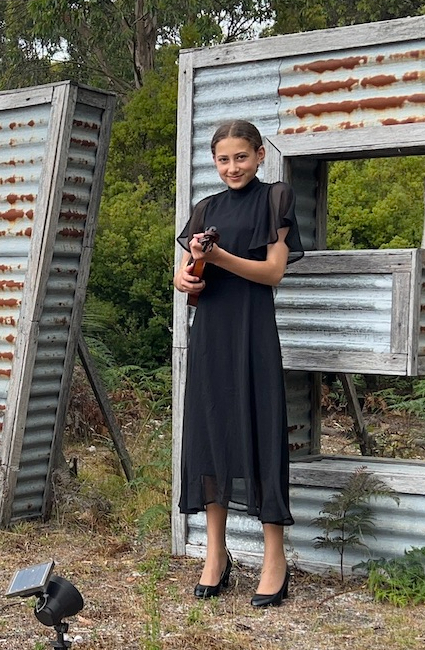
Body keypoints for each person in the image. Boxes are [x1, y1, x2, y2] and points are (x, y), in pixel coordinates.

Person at [174, 120, 305, 607]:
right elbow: (186, 271)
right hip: (209, 334)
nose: (233, 167)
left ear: (259, 156)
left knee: (261, 431)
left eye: (242, 157)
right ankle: (216, 554)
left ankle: (275, 559)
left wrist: (221, 256)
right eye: (224, 159)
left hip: (253, 333)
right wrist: (186, 276)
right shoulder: (205, 208)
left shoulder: (276, 197)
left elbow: (272, 272)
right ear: (215, 162)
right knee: (210, 433)